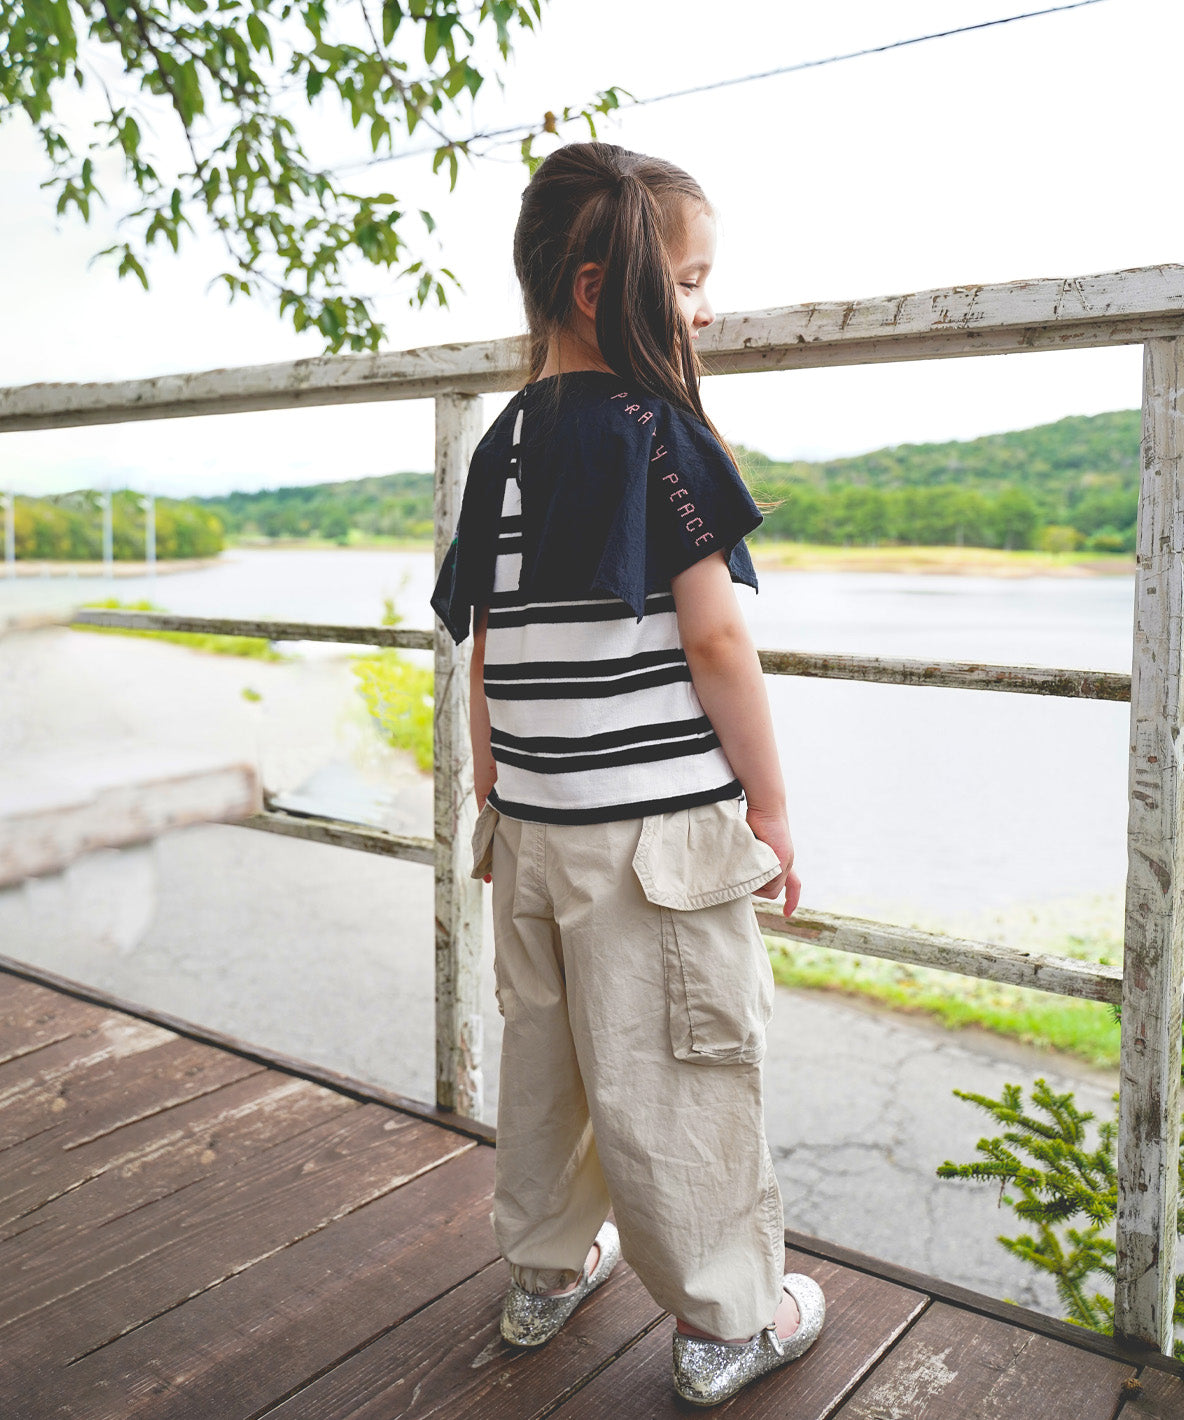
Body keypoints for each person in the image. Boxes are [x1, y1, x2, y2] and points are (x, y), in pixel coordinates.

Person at [431, 140, 825, 1407]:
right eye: (691, 282)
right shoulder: (658, 432)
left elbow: (484, 650)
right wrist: (764, 806)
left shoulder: (501, 441)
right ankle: (724, 1317)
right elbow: (713, 638)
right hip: (652, 841)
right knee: (680, 1071)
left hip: (531, 833)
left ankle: (546, 1268)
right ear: (603, 289)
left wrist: (495, 798)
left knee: (545, 1064)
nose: (704, 310)